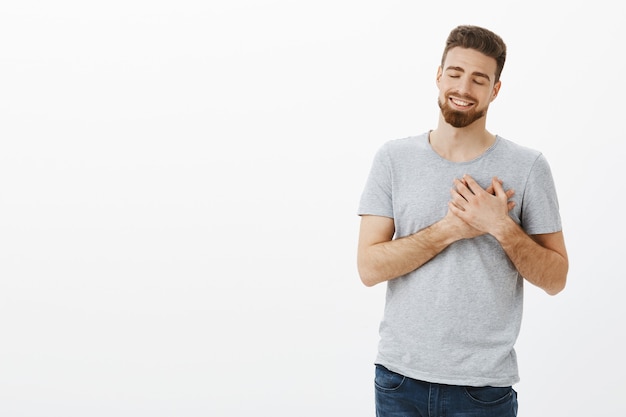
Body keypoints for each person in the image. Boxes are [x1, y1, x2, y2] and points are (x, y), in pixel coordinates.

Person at [356, 25, 568, 417]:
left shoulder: (528, 167)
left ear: (495, 90)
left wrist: (500, 226)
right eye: (455, 73)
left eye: (479, 79)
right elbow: (368, 269)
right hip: (398, 380)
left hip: (483, 391)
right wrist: (452, 229)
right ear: (438, 75)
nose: (463, 88)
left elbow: (556, 279)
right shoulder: (393, 159)